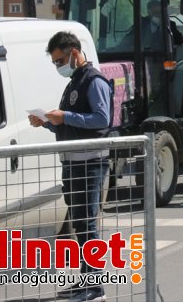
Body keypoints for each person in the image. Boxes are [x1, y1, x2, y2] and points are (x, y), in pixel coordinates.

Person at [28, 31, 112, 302]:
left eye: (60, 60)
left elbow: (101, 119)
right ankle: (86, 280)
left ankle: (95, 286)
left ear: (75, 52)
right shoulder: (76, 80)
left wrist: (65, 116)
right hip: (74, 163)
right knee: (79, 223)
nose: (58, 66)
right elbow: (72, 124)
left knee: (87, 223)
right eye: (55, 62)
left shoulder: (93, 80)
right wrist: (50, 122)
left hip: (90, 163)